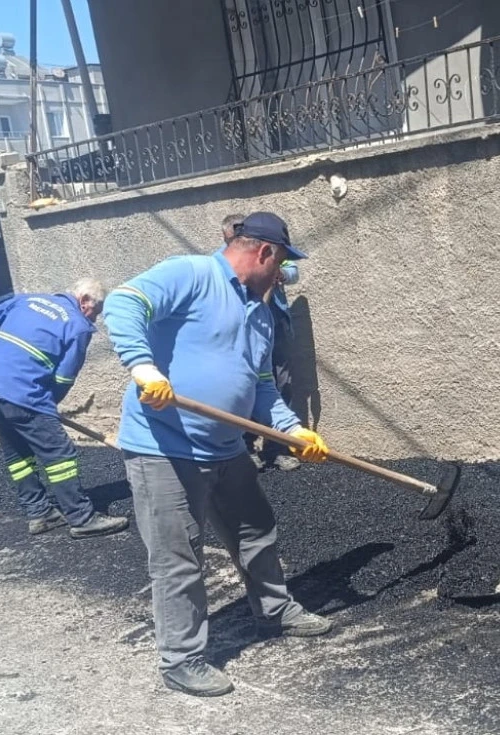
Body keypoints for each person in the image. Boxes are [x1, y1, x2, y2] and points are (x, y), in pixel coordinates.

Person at [104, 211, 334, 698]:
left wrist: (294, 431)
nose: (282, 276)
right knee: (178, 558)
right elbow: (124, 303)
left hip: (226, 448)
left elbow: (263, 387)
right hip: (163, 447)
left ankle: (274, 611)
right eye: (282, 265)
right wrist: (145, 369)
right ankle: (181, 659)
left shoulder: (262, 312)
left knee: (256, 532)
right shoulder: (190, 273)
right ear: (265, 253)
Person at [0, 280, 129, 539]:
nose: (95, 317)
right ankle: (81, 517)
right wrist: (46, 407)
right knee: (60, 452)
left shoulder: (27, 300)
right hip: (21, 391)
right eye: (96, 310)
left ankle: (40, 512)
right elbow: (63, 379)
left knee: (18, 451)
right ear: (84, 301)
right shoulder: (78, 326)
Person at [222, 213, 302, 471]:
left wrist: (294, 430)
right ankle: (244, 446)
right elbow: (127, 300)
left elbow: (292, 270)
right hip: (245, 330)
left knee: (278, 382)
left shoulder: (272, 260)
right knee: (245, 386)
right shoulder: (214, 270)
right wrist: (142, 364)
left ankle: (277, 446)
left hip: (273, 323)